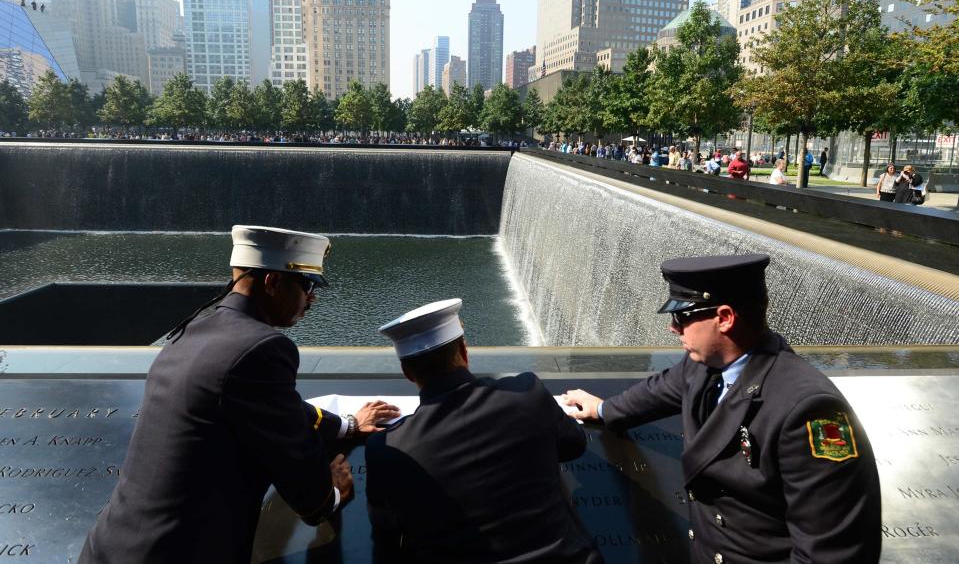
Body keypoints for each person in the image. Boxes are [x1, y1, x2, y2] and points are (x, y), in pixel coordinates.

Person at [80, 225, 400, 564]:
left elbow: (277, 406)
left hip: (113, 546)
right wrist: (332, 495)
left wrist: (347, 425)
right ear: (272, 283)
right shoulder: (263, 348)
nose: (312, 298)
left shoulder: (192, 331)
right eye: (306, 285)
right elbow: (302, 480)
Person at [562, 254, 881, 564]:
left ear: (725, 318)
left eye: (682, 317)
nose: (674, 328)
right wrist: (603, 410)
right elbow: (659, 390)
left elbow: (832, 552)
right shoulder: (704, 365)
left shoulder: (808, 411)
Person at [366, 299, 602, 564]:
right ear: (464, 352)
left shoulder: (387, 449)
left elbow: (387, 536)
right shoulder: (528, 394)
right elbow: (574, 444)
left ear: (407, 372)